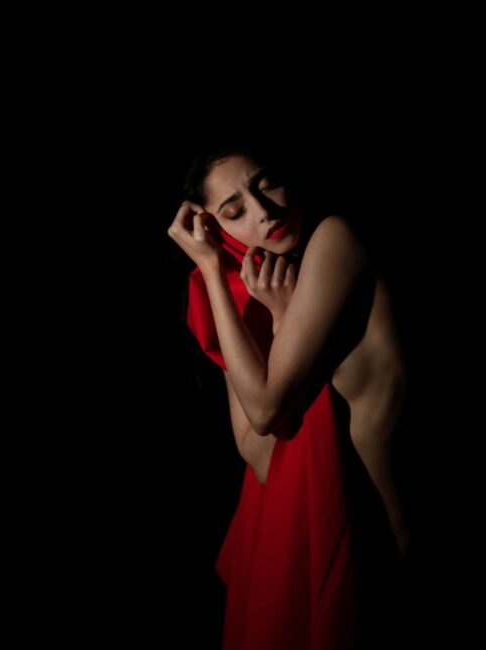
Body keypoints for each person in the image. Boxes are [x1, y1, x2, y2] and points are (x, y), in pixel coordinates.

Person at [168, 147, 409, 649]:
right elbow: (259, 455)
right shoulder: (267, 296)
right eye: (235, 210)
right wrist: (258, 308)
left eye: (266, 184)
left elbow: (265, 409)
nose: (263, 212)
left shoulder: (334, 240)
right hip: (347, 556)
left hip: (388, 564)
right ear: (213, 229)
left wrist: (213, 273)